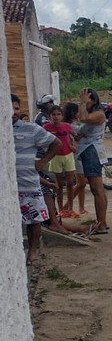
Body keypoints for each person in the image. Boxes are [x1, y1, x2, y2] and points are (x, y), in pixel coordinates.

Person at [11, 94, 62, 264]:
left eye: (16, 108)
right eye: (10, 108)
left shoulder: (31, 128)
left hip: (29, 185)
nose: (13, 112)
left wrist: (42, 162)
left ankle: (32, 253)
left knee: (35, 222)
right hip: (9, 190)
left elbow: (56, 143)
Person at [75, 88, 109, 234]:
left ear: (94, 100)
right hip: (88, 150)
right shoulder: (92, 113)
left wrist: (82, 103)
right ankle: (102, 222)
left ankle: (101, 224)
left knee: (97, 189)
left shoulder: (99, 114)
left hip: (92, 151)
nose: (83, 103)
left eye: (86, 100)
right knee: (97, 189)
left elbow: (82, 118)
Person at [43, 104, 77, 212]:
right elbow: (42, 141)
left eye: (58, 114)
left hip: (68, 155)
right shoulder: (46, 127)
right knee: (59, 184)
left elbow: (74, 136)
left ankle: (71, 208)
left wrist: (73, 146)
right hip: (55, 156)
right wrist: (47, 150)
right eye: (53, 115)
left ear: (62, 116)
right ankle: (61, 209)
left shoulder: (67, 126)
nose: (56, 117)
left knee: (70, 183)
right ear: (49, 116)